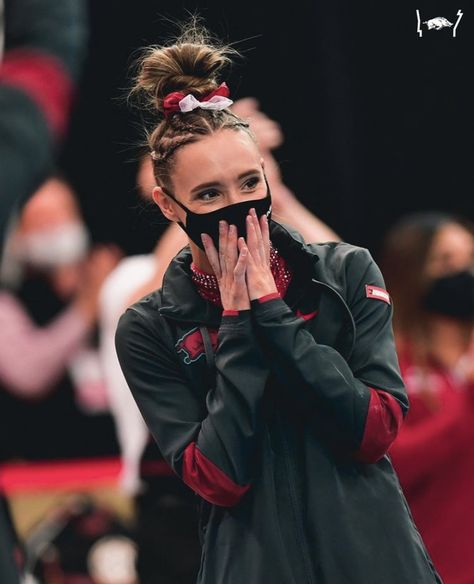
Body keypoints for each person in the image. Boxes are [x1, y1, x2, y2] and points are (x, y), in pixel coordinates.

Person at [115, 24, 443, 584]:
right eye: (210, 195)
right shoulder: (150, 327)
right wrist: (240, 325)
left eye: (249, 182)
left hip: (377, 562)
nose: (237, 207)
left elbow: (373, 432)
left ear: (269, 178)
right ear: (169, 205)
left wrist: (273, 312)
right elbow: (220, 477)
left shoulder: (345, 271)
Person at [382, 213, 474, 584]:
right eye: (446, 261)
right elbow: (391, 463)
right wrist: (465, 399)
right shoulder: (390, 361)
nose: (463, 273)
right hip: (423, 563)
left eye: (469, 260)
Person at [0, 177, 120, 460]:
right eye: (41, 220)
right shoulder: (9, 301)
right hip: (44, 467)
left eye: (61, 214)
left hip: (117, 457)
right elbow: (29, 375)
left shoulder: (113, 279)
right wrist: (86, 308)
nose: (54, 227)